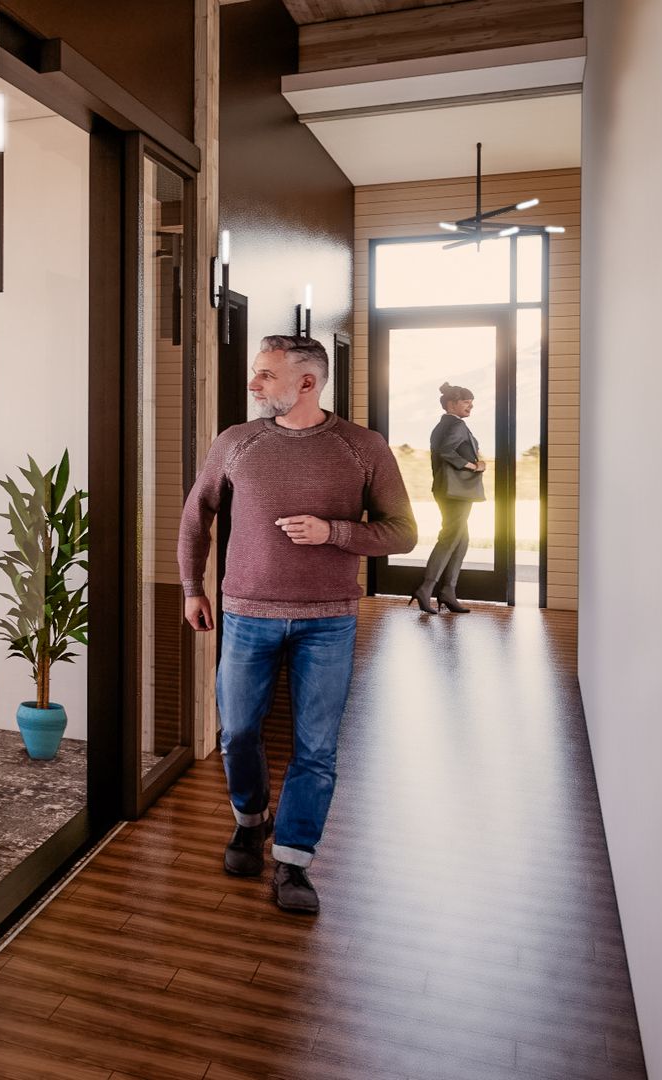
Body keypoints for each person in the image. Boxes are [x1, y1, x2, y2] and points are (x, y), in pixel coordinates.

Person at [176, 335, 417, 915]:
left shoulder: (363, 447)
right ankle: (249, 822)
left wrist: (334, 532)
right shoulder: (236, 442)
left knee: (315, 747)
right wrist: (191, 588)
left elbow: (403, 532)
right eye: (256, 372)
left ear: (307, 382)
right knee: (237, 732)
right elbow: (196, 516)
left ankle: (293, 860)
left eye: (266, 375)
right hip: (245, 615)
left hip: (328, 622)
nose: (253, 384)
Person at [413, 382, 487, 615]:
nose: (470, 406)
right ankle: (426, 588)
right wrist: (473, 466)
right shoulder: (456, 425)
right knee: (450, 537)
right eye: (466, 402)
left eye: (471, 403)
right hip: (457, 492)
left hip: (447, 490)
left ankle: (448, 591)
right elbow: (447, 451)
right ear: (451, 404)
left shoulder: (443, 425)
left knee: (461, 539)